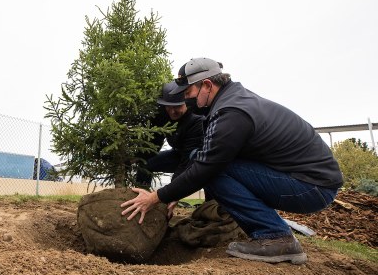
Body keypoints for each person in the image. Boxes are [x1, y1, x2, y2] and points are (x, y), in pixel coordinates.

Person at [121, 58, 343, 264]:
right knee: (205, 162)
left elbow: (206, 168)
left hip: (312, 186)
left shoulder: (232, 112)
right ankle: (266, 230)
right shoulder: (231, 100)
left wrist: (156, 197)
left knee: (214, 171)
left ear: (207, 85)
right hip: (302, 179)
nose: (186, 99)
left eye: (188, 91)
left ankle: (275, 236)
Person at [135, 82, 204, 188]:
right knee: (146, 164)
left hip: (198, 158)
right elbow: (155, 141)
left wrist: (172, 192)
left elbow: (187, 160)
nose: (172, 111)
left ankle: (211, 201)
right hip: (177, 153)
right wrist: (138, 157)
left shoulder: (196, 120)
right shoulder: (162, 114)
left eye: (177, 107)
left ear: (186, 102)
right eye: (168, 107)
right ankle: (140, 193)